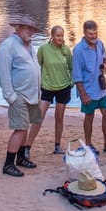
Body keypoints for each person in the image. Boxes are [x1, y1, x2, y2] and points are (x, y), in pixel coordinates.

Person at [0, 16, 43, 177]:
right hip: (19, 95)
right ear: (18, 28)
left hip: (32, 94)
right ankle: (8, 164)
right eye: (27, 28)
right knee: (20, 128)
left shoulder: (30, 46)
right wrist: (10, 96)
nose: (30, 32)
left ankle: (21, 158)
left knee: (27, 125)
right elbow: (3, 73)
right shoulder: (8, 46)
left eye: (32, 29)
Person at [72, 20, 106, 154]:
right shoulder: (78, 50)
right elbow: (76, 75)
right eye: (90, 34)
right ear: (84, 33)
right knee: (89, 116)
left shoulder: (100, 43)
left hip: (101, 87)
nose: (93, 36)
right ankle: (88, 144)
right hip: (88, 89)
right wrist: (83, 94)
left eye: (95, 33)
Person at [26, 25, 73, 155]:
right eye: (58, 36)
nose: (60, 38)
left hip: (63, 87)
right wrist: (36, 83)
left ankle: (57, 146)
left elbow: (71, 67)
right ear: (52, 36)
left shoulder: (66, 50)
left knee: (59, 117)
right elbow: (37, 65)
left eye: (62, 36)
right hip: (47, 87)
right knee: (39, 117)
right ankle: (27, 147)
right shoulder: (43, 49)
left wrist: (71, 81)